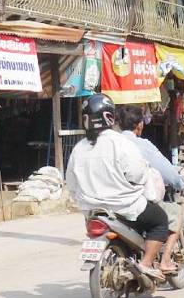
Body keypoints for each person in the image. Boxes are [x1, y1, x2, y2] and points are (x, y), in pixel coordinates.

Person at [66, 93, 170, 282]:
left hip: (92, 211)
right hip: (125, 207)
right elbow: (137, 174)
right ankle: (145, 264)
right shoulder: (119, 142)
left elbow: (71, 184)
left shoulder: (78, 148)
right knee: (161, 220)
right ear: (109, 116)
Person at [116, 105, 184, 274]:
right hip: (134, 202)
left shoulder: (111, 143)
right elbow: (166, 170)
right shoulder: (142, 145)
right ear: (140, 124)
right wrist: (180, 183)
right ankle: (163, 261)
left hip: (106, 200)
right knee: (172, 214)